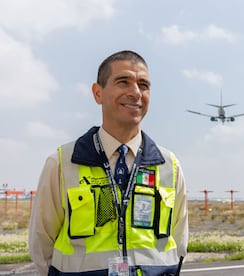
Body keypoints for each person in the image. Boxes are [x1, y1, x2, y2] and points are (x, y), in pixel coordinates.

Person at [29, 50, 188, 275]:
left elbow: (179, 241)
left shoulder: (169, 165)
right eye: (123, 82)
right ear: (98, 93)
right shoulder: (62, 163)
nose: (135, 92)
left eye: (143, 85)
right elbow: (41, 243)